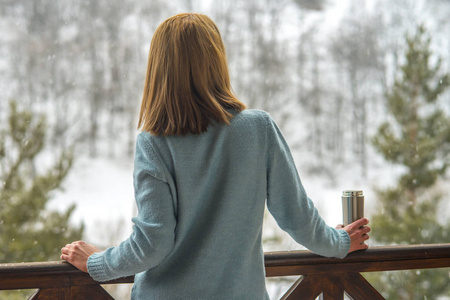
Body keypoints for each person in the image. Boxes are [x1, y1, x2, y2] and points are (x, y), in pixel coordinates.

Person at [61, 13, 370, 299]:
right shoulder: (258, 128)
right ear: (217, 61)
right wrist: (340, 242)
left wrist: (97, 263)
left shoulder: (154, 142)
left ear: (160, 69)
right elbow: (297, 218)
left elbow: (152, 244)